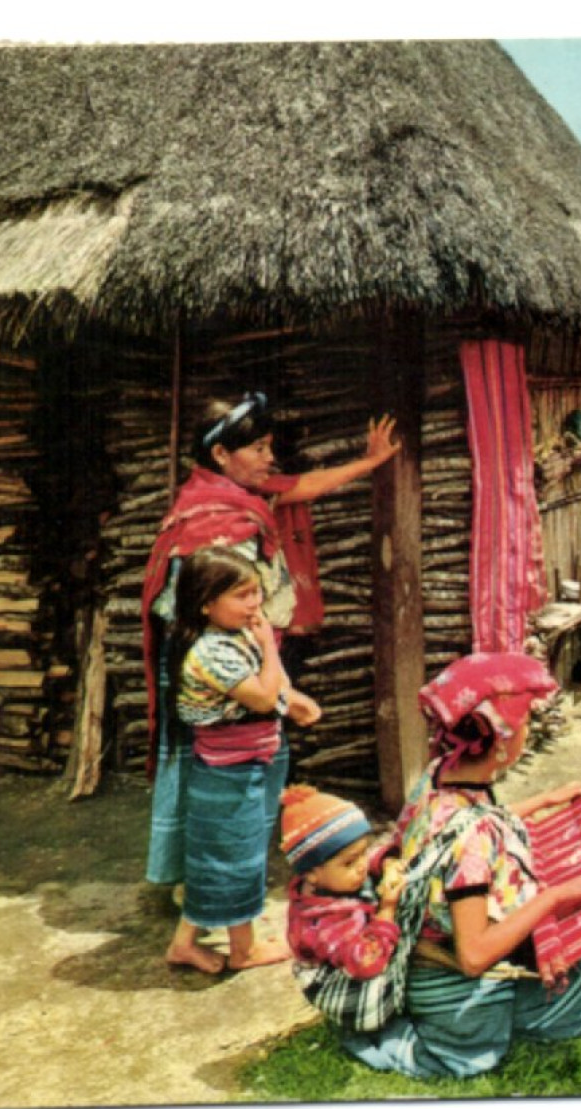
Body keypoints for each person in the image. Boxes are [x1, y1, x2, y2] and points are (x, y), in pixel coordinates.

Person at [144, 390, 401, 973]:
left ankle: (207, 904)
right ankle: (210, 902)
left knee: (236, 814)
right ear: (220, 455)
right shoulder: (212, 522)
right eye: (257, 448)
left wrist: (369, 463)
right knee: (223, 817)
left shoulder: (238, 497)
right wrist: (264, 673)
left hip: (244, 682)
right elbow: (186, 616)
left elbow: (297, 487)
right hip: (223, 686)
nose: (269, 457)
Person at [340, 653, 581, 1079]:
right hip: (451, 990)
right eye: (523, 725)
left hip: (418, 946)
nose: (526, 732)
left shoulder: (438, 775)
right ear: (500, 742)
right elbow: (473, 955)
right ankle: (450, 1034)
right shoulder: (473, 838)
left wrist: (543, 801)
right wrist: (558, 895)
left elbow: (464, 824)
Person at [162, 546, 320, 971]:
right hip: (228, 773)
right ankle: (243, 950)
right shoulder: (212, 652)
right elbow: (265, 694)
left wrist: (294, 701)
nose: (254, 604)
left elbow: (276, 686)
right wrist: (269, 645)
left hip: (247, 763)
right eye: (241, 595)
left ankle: (185, 943)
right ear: (206, 604)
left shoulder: (236, 636)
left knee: (226, 855)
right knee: (234, 858)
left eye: (255, 593)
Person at [281, 784, 407, 980]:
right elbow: (367, 963)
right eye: (350, 862)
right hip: (346, 979)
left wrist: (387, 863)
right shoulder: (325, 924)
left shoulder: (332, 879)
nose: (361, 866)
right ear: (312, 873)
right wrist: (386, 911)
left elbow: (368, 857)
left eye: (363, 853)